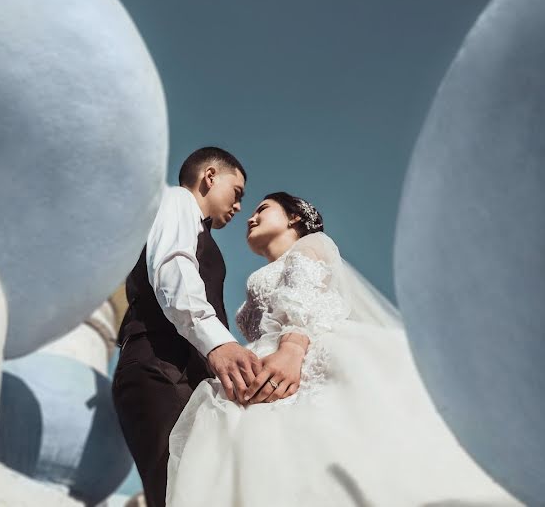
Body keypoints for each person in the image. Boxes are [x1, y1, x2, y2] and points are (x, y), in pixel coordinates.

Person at [165, 192, 522, 506]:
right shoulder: (266, 272)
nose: (251, 217)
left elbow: (307, 295)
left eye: (263, 207)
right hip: (258, 371)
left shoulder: (311, 246)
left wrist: (292, 349)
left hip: (299, 354)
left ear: (294, 217)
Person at [112, 147, 262, 507]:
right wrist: (217, 344)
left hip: (185, 371)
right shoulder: (176, 201)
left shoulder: (201, 229)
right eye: (237, 193)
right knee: (174, 491)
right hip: (161, 365)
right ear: (209, 176)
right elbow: (172, 268)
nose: (239, 206)